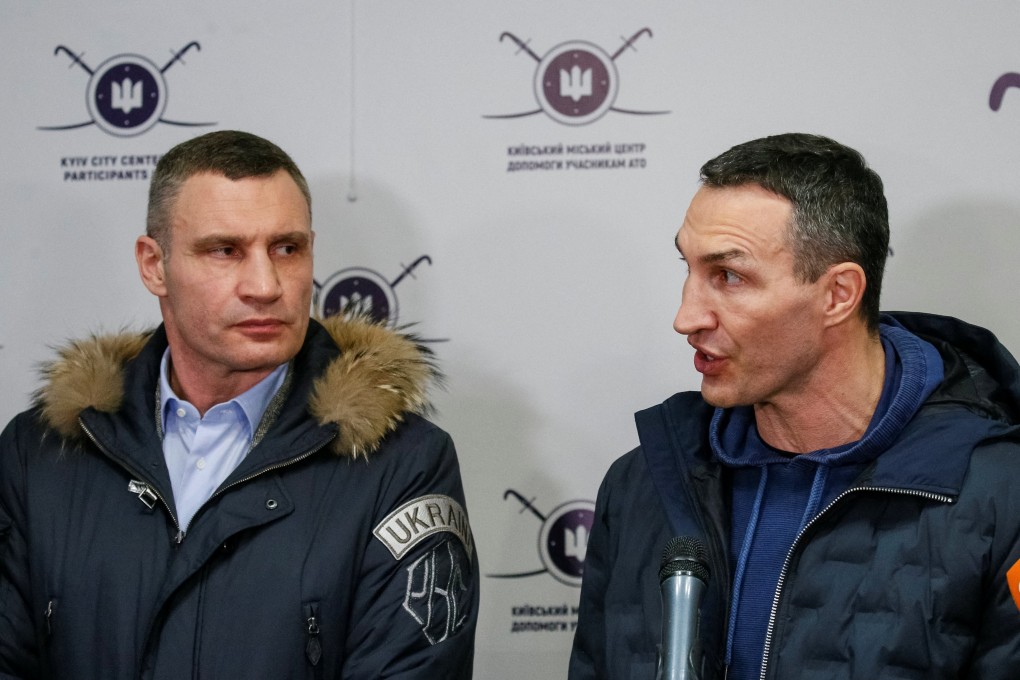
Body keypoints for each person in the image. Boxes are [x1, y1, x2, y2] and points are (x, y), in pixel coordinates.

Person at [0, 130, 478, 678]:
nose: (266, 284)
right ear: (153, 265)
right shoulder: (38, 455)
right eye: (225, 250)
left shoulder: (401, 462)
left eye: (287, 249)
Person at [569, 133, 1020, 679]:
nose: (686, 317)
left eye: (729, 276)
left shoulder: (1000, 493)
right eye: (687, 269)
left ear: (837, 295)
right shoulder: (641, 484)